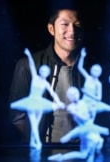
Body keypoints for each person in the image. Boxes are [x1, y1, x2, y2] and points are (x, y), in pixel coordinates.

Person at [9, 7, 85, 143]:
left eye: (77, 25)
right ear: (51, 29)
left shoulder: (90, 68)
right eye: (65, 24)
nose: (72, 31)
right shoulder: (28, 65)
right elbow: (17, 116)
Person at [10, 48, 65, 149]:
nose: (44, 72)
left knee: (37, 123)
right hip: (31, 102)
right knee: (33, 124)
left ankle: (35, 140)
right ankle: (34, 140)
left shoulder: (45, 83)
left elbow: (53, 94)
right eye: (43, 71)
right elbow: (31, 65)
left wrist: (58, 102)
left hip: (40, 103)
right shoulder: (35, 77)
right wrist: (29, 55)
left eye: (46, 71)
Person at [48, 86, 109, 162]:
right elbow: (83, 119)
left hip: (89, 129)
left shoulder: (84, 103)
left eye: (75, 93)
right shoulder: (71, 107)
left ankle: (62, 157)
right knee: (87, 149)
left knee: (87, 151)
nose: (75, 96)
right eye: (72, 95)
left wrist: (91, 111)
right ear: (69, 97)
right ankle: (62, 157)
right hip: (82, 130)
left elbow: (88, 117)